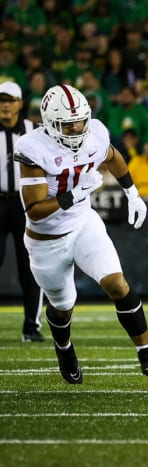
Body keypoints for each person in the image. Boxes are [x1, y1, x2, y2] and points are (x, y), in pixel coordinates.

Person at [15, 84, 148, 384]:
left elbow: (112, 156)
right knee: (62, 308)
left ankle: (146, 353)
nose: (76, 128)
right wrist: (73, 194)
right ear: (49, 123)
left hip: (84, 223)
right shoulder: (31, 148)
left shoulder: (95, 132)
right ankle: (65, 348)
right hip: (47, 241)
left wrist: (132, 192)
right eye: (67, 123)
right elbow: (33, 209)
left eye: (80, 121)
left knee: (116, 282)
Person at [0, 81, 44, 342]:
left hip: (25, 204)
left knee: (31, 266)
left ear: (19, 103)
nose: (4, 104)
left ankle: (31, 327)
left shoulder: (34, 131)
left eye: (9, 99)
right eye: (1, 99)